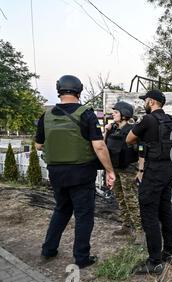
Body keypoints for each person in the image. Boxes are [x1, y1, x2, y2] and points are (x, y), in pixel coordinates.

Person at [36, 75, 115, 269]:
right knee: (84, 216)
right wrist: (110, 171)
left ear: (59, 91)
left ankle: (49, 249)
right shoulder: (86, 114)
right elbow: (99, 146)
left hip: (56, 175)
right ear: (79, 92)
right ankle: (81, 258)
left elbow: (38, 145)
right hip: (81, 174)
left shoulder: (45, 116)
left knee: (61, 210)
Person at [126, 89, 172, 275]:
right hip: (169, 170)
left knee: (149, 215)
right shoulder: (171, 120)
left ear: (151, 102)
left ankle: (155, 262)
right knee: (165, 211)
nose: (144, 104)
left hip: (154, 171)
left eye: (145, 101)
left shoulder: (148, 120)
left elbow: (129, 139)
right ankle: (169, 253)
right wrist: (171, 139)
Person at [105, 101, 143, 242]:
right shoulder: (113, 129)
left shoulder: (133, 130)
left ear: (124, 114)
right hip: (115, 169)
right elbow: (103, 146)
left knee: (131, 200)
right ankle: (126, 226)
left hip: (128, 169)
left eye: (116, 112)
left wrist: (140, 170)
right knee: (120, 198)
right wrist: (107, 130)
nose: (113, 114)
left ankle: (140, 231)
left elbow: (141, 151)